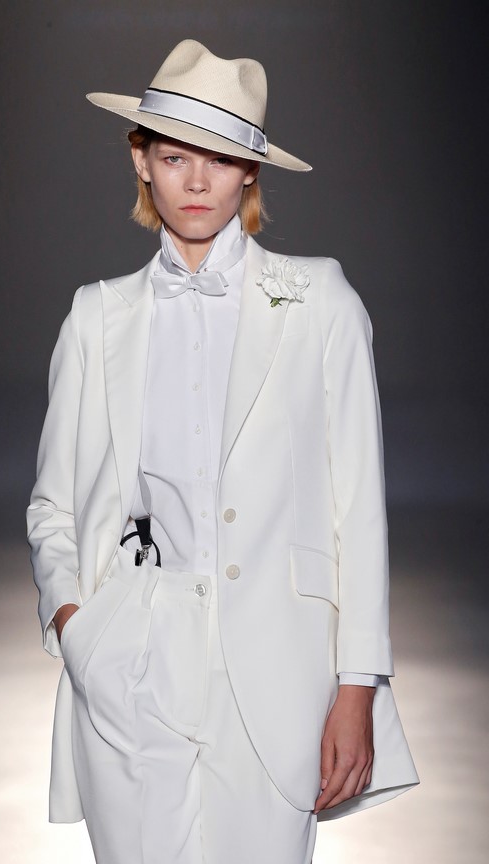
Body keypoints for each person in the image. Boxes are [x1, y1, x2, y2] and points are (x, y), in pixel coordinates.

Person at [28, 39, 418, 864]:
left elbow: (358, 511)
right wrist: (79, 630)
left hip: (278, 670)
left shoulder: (320, 304)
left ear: (250, 172)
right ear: (141, 162)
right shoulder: (98, 317)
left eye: (220, 159)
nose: (197, 182)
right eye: (175, 157)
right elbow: (53, 503)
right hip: (132, 661)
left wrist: (358, 686)